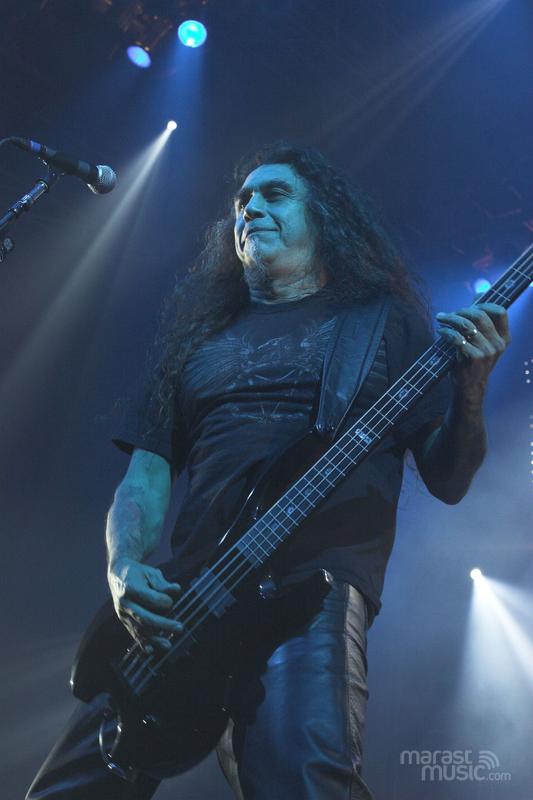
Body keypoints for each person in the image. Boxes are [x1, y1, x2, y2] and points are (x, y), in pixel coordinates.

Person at [26, 143, 510, 800]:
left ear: (325, 218)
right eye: (242, 200)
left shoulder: (381, 324)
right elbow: (145, 476)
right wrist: (123, 568)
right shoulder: (196, 342)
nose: (250, 207)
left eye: (274, 194)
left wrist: (471, 390)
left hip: (308, 593)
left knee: (303, 783)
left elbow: (448, 480)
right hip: (183, 602)